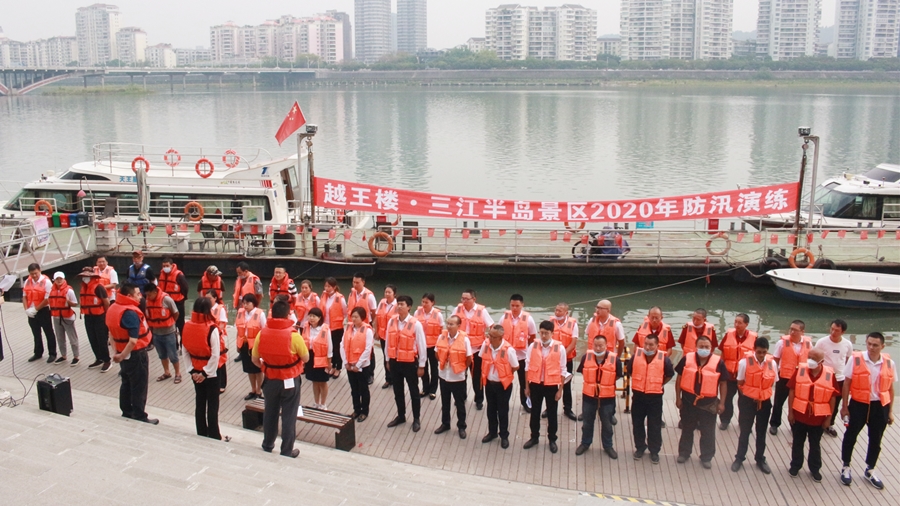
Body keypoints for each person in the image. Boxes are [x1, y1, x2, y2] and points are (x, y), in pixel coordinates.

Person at [252, 300, 309, 458]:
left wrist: (265, 366)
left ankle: (268, 444)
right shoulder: (294, 335)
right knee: (289, 415)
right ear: (287, 315)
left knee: (270, 412)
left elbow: (255, 359)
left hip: (270, 379)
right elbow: (306, 357)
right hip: (290, 379)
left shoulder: (261, 333)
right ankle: (287, 449)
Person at [839, 331, 895, 489]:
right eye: (869, 344)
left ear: (882, 346)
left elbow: (890, 389)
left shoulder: (889, 363)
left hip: (880, 406)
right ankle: (846, 466)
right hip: (859, 404)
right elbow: (846, 384)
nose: (871, 347)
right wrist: (844, 407)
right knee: (851, 436)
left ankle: (870, 469)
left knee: (876, 440)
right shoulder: (856, 359)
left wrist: (890, 411)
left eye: (875, 345)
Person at [675, 335, 730, 468]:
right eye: (701, 346)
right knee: (687, 428)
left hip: (708, 404)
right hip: (688, 402)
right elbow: (679, 379)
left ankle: (706, 457)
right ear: (696, 347)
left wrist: (722, 403)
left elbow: (723, 383)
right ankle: (684, 453)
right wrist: (678, 397)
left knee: (708, 432)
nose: (704, 349)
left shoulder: (719, 362)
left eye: (706, 347)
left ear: (711, 348)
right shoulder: (687, 359)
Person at [107, 282, 157, 424]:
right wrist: (122, 355)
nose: (140, 297)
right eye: (137, 294)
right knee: (139, 385)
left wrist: (116, 353)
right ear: (129, 296)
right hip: (135, 353)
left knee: (126, 382)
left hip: (122, 352)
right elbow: (133, 340)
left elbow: (111, 333)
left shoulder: (113, 308)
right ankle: (139, 415)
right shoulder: (130, 313)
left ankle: (126, 411)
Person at [787, 348, 838, 482]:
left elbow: (833, 398)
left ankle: (815, 469)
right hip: (800, 415)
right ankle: (795, 465)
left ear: (821, 361)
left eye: (814, 359)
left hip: (818, 418)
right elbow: (792, 391)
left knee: (815, 444)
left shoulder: (829, 375)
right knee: (797, 442)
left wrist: (829, 419)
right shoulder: (800, 370)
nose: (810, 361)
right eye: (809, 357)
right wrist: (790, 412)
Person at [182, 296, 228, 441]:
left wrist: (192, 371)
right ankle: (214, 434)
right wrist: (206, 372)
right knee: (213, 404)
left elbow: (184, 350)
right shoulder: (212, 328)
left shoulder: (187, 325)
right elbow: (215, 354)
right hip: (212, 372)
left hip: (195, 369)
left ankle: (201, 431)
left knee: (200, 401)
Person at [732, 337, 777, 474]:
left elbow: (773, 382)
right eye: (759, 352)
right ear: (754, 350)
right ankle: (739, 458)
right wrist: (749, 395)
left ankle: (760, 458)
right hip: (748, 401)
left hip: (764, 402)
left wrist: (761, 395)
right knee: (745, 431)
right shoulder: (744, 363)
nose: (762, 355)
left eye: (764, 352)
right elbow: (740, 382)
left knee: (761, 431)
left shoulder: (772, 364)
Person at [523, 321, 568, 453]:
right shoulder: (533, 346)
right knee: (534, 413)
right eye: (541, 333)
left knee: (552, 414)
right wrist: (527, 387)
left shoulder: (560, 348)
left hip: (551, 386)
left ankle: (552, 439)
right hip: (536, 385)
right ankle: (534, 437)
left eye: (546, 333)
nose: (543, 336)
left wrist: (560, 390)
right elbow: (527, 366)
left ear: (552, 333)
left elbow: (563, 370)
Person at [629, 334, 675, 464]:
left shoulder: (664, 360)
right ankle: (640, 447)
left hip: (655, 398)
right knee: (637, 424)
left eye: (651, 345)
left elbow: (670, 374)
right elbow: (630, 370)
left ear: (657, 346)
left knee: (654, 425)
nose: (648, 347)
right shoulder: (636, 357)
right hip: (638, 397)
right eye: (646, 344)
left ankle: (654, 451)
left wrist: (658, 384)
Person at [575, 334, 623, 459]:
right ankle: (585, 443)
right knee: (587, 423)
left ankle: (608, 446)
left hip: (607, 398)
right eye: (595, 345)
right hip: (589, 397)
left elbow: (617, 375)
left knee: (607, 424)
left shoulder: (615, 360)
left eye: (601, 345)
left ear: (606, 346)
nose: (597, 348)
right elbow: (582, 371)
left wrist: (604, 384)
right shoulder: (586, 357)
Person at [385, 295, 427, 432]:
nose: (399, 306)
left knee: (414, 392)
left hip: (409, 363)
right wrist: (387, 360)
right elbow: (387, 342)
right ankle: (401, 416)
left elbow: (422, 345)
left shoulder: (416, 324)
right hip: (395, 362)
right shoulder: (391, 321)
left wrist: (422, 365)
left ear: (409, 307)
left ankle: (416, 418)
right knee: (398, 391)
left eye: (402, 304)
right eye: (398, 304)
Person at [769, 320, 812, 435]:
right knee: (779, 402)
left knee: (797, 403)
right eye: (791, 329)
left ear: (802, 332)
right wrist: (775, 376)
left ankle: (794, 425)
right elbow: (776, 360)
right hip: (784, 377)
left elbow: (810, 360)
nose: (792, 332)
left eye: (795, 330)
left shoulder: (808, 344)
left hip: (800, 379)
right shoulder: (781, 343)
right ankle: (774, 423)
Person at [433, 315, 474, 439]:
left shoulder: (464, 340)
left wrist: (461, 368)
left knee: (460, 403)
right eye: (448, 324)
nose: (449, 326)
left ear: (458, 326)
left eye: (452, 324)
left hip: (457, 377)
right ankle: (445, 424)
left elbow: (469, 359)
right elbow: (436, 353)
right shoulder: (442, 336)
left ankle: (461, 426)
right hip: (444, 375)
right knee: (445, 402)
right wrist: (443, 361)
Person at [480, 324, 519, 449]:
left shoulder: (509, 350)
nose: (489, 338)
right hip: (489, 384)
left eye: (493, 336)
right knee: (490, 409)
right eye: (489, 335)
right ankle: (492, 432)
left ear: (501, 337)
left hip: (503, 385)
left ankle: (504, 435)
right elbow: (482, 358)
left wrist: (505, 375)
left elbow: (515, 366)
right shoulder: (485, 345)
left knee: (502, 411)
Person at [454, 289, 493, 411]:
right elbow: (451, 324)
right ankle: (462, 396)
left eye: (467, 299)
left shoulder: (482, 311)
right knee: (461, 374)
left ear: (474, 299)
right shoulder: (458, 310)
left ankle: (479, 399)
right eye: (463, 298)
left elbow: (491, 326)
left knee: (477, 376)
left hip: (477, 350)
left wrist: (488, 340)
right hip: (461, 349)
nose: (464, 301)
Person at [815, 319, 853, 437]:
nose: (833, 332)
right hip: (823, 378)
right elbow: (815, 358)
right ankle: (816, 424)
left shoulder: (847, 344)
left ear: (843, 332)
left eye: (837, 330)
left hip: (839, 378)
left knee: (835, 404)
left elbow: (848, 360)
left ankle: (829, 424)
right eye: (832, 329)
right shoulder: (822, 342)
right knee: (820, 402)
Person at [718, 313, 757, 430]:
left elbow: (757, 357)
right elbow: (723, 354)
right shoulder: (728, 335)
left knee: (745, 402)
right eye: (735, 322)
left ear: (746, 324)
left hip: (744, 377)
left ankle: (744, 424)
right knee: (727, 399)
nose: (737, 325)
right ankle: (725, 420)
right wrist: (720, 370)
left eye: (740, 323)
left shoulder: (754, 338)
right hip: (729, 374)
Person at [498, 294, 535, 412]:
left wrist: (528, 352)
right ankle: (503, 402)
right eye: (512, 305)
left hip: (522, 356)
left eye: (517, 306)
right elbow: (498, 334)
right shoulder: (504, 317)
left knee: (524, 382)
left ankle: (525, 403)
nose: (514, 308)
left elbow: (532, 336)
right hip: (506, 357)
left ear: (522, 305)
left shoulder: (528, 319)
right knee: (504, 379)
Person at [144, 283, 181, 384]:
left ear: (155, 292)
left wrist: (171, 323)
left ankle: (178, 373)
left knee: (173, 355)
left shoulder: (167, 300)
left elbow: (176, 313)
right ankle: (167, 372)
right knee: (162, 355)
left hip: (169, 332)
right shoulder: (147, 301)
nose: (148, 297)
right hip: (156, 333)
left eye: (149, 294)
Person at [342, 307, 374, 421]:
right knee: (354, 389)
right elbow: (342, 345)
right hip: (350, 365)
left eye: (356, 317)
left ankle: (364, 411)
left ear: (362, 318)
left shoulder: (367, 330)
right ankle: (356, 410)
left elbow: (367, 349)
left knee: (363, 389)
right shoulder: (348, 328)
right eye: (352, 316)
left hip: (362, 366)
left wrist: (358, 365)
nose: (354, 319)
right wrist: (345, 362)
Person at [78, 266, 111, 372]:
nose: (85, 278)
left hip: (100, 316)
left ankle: (107, 360)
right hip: (88, 316)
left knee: (102, 339)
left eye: (87, 276)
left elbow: (106, 302)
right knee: (92, 339)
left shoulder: (99, 287)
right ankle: (98, 358)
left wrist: (107, 315)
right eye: (83, 276)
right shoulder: (83, 287)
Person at [347, 273, 378, 384]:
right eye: (353, 282)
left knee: (369, 350)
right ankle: (354, 365)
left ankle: (370, 374)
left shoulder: (369, 296)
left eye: (357, 283)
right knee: (353, 346)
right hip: (353, 325)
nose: (355, 285)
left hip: (365, 325)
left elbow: (374, 312)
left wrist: (372, 325)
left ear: (363, 282)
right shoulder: (352, 293)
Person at [551, 302, 580, 421]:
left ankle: (567, 409)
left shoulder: (573, 324)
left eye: (560, 311)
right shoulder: (551, 322)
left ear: (566, 312)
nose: (557, 313)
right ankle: (550, 408)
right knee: (551, 384)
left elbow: (573, 343)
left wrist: (562, 356)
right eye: (556, 310)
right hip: (552, 360)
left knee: (566, 385)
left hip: (566, 359)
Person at [23, 263, 56, 363]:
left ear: (39, 271)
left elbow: (47, 299)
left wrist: (36, 309)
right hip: (31, 310)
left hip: (43, 310)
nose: (34, 276)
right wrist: (26, 310)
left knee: (48, 332)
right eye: (32, 274)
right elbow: (24, 296)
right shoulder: (27, 281)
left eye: (35, 273)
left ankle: (52, 353)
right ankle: (38, 352)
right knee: (36, 333)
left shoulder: (46, 282)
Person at [236, 294, 266, 401]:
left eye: (248, 303)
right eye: (244, 303)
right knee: (249, 369)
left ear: (254, 303)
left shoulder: (260, 314)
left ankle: (259, 390)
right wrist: (237, 345)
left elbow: (264, 330)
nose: (245, 305)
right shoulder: (241, 313)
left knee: (258, 369)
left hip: (255, 345)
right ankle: (253, 389)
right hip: (244, 344)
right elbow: (238, 330)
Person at [415, 293, 444, 400]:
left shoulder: (438, 315)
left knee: (434, 368)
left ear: (433, 303)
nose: (424, 304)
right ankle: (425, 388)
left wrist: (440, 346)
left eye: (426, 302)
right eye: (423, 302)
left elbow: (441, 331)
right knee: (423, 366)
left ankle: (433, 390)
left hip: (433, 346)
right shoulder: (417, 313)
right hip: (421, 345)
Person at [302, 307, 333, 410]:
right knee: (314, 381)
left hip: (322, 358)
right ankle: (316, 402)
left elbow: (329, 346)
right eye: (310, 316)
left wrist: (329, 362)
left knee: (323, 382)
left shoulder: (325, 329)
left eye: (314, 316)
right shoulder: (306, 327)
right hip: (310, 357)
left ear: (319, 318)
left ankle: (323, 404)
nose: (311, 318)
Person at [49, 272, 79, 366]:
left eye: (60, 279)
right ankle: (63, 355)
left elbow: (75, 303)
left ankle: (76, 357)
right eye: (57, 279)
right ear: (54, 280)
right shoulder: (51, 290)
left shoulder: (69, 290)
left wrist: (68, 301)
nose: (59, 280)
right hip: (56, 317)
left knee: (72, 338)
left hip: (67, 317)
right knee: (60, 338)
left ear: (63, 279)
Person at [320, 277, 347, 378]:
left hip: (336, 328)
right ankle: (331, 366)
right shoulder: (324, 296)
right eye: (326, 286)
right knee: (328, 348)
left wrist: (339, 320)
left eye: (329, 286)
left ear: (334, 287)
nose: (327, 288)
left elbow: (345, 312)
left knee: (336, 348)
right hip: (326, 327)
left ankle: (338, 368)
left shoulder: (340, 298)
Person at [374, 284, 399, 389]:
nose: (387, 294)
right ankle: (388, 379)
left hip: (394, 337)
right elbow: (377, 317)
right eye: (386, 292)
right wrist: (376, 331)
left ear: (394, 294)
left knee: (395, 358)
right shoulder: (382, 303)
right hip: (383, 336)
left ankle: (396, 379)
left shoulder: (398, 305)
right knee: (386, 358)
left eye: (389, 292)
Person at [158, 258, 188, 338]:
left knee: (180, 324)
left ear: (172, 265)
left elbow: (185, 288)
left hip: (178, 302)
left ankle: (183, 342)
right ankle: (175, 345)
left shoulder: (179, 275)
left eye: (167, 266)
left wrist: (182, 298)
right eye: (164, 266)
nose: (165, 268)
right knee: (170, 324)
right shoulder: (162, 274)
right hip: (166, 303)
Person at [207, 289, 229, 393]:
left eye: (209, 298)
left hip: (218, 337)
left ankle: (222, 384)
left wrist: (215, 333)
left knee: (221, 360)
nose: (207, 300)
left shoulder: (220, 309)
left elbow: (223, 323)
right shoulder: (206, 308)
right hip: (208, 337)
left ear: (215, 298)